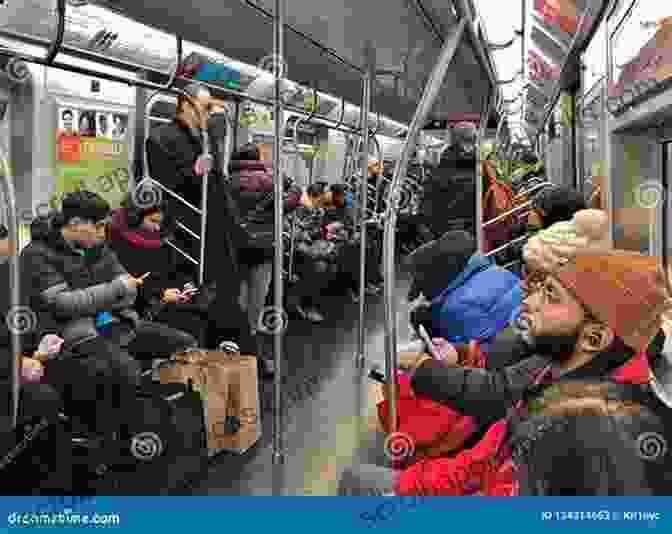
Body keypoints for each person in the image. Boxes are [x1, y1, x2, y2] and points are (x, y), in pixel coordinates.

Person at [340, 244, 672, 496]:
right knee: (358, 480)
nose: (527, 303)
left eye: (551, 297)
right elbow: (483, 460)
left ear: (594, 337)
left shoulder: (595, 440)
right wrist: (409, 485)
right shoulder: (556, 368)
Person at [20, 191, 192, 442]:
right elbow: (63, 305)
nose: (103, 234)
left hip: (112, 320)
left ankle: (151, 423)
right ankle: (106, 436)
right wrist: (114, 291)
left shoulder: (97, 247)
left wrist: (102, 295)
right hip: (69, 333)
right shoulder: (37, 254)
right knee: (124, 370)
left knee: (183, 342)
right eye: (98, 227)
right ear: (76, 223)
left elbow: (129, 288)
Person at [146, 82, 253, 353]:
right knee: (205, 296)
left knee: (226, 294)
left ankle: (234, 351)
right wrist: (195, 172)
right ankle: (214, 353)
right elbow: (166, 186)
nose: (208, 114)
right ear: (185, 105)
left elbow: (218, 182)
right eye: (205, 108)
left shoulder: (203, 137)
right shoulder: (160, 138)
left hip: (217, 227)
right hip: (188, 231)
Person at [0, 224, 72, 494]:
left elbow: (36, 314)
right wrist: (18, 363)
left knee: (77, 367)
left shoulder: (14, 275)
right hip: (10, 367)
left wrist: (44, 341)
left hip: (28, 354)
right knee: (42, 399)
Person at [228, 142, 301, 377]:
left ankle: (230, 351)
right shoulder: (271, 180)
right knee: (255, 304)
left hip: (234, 249)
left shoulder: (226, 181)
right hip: (263, 249)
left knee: (236, 302)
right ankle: (251, 354)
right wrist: (294, 187)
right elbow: (290, 202)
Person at [108, 193, 203, 348]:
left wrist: (185, 286)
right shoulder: (118, 245)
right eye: (152, 221)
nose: (157, 227)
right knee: (190, 325)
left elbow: (174, 271)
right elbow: (129, 283)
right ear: (135, 218)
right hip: (136, 310)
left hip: (161, 302)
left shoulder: (159, 243)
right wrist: (161, 295)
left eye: (160, 223)